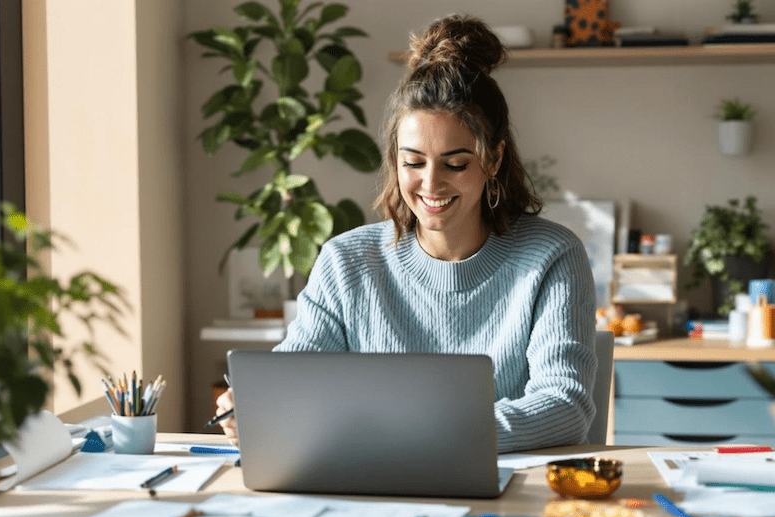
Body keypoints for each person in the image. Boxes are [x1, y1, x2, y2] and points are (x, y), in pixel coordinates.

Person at [215, 14, 597, 453]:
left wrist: (418, 434)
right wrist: (254, 404)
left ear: (493, 159)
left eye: (455, 163)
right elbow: (294, 377)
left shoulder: (551, 256)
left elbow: (565, 405)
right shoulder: (346, 261)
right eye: (413, 163)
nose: (430, 185)